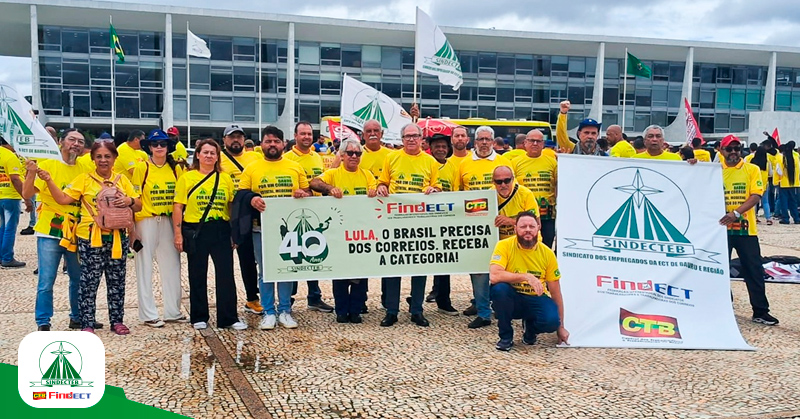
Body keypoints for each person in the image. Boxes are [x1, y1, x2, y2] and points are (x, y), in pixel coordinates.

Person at [41, 141, 142, 334]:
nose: (103, 160)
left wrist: (129, 200)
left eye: (107, 156)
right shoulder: (84, 179)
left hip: (117, 238)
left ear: (114, 158)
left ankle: (117, 321)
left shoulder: (122, 180)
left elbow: (138, 205)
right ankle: (87, 322)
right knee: (89, 281)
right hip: (90, 237)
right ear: (93, 159)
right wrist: (49, 181)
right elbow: (63, 199)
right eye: (99, 157)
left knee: (117, 280)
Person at [237, 125, 310, 330]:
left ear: (284, 144)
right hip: (261, 228)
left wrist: (302, 194)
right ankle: (268, 311)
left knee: (286, 269)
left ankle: (285, 310)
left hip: (290, 228)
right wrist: (252, 200)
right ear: (261, 145)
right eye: (268, 141)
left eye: (276, 141)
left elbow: (307, 192)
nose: (272, 144)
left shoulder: (294, 167)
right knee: (266, 270)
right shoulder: (252, 168)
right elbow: (241, 194)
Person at [173, 139, 246, 331]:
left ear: (217, 156)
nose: (208, 156)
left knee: (226, 274)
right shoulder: (187, 178)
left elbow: (231, 205)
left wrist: (234, 232)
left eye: (212, 153)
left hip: (220, 228)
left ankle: (228, 317)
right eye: (205, 152)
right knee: (197, 273)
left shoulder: (225, 178)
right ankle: (199, 315)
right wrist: (178, 234)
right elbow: (178, 206)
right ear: (197, 155)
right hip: (196, 229)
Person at [25, 129, 94, 331]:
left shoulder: (85, 167)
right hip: (50, 231)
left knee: (78, 278)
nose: (76, 144)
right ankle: (43, 321)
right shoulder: (48, 164)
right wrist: (30, 173)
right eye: (72, 139)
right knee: (47, 279)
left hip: (76, 231)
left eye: (80, 141)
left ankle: (77, 316)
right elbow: (28, 193)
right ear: (61, 142)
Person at [377, 123, 441, 327]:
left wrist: (434, 189)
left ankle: (417, 310)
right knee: (393, 266)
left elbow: (438, 186)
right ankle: (391, 310)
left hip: (420, 222)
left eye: (415, 136)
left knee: (419, 267)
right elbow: (383, 182)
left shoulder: (430, 161)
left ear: (422, 138)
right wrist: (380, 187)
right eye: (407, 136)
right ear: (402, 138)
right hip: (395, 219)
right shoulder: (391, 157)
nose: (411, 139)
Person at [309, 139, 377, 323]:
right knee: (340, 273)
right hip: (339, 233)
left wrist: (374, 192)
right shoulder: (333, 173)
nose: (354, 156)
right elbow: (314, 182)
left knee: (360, 273)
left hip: (360, 233)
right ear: (342, 155)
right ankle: (341, 310)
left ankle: (356, 310)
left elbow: (375, 191)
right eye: (350, 153)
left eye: (358, 153)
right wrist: (330, 188)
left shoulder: (367, 175)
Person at [718, 135, 778, 326]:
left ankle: (761, 310)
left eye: (737, 148)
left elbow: (756, 196)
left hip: (745, 230)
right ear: (721, 150)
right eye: (730, 149)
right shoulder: (713, 170)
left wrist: (736, 213)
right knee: (719, 270)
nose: (734, 152)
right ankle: (723, 306)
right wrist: (692, 163)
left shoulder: (751, 169)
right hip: (720, 230)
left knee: (754, 270)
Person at [489, 211, 569, 351]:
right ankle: (506, 336)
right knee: (499, 289)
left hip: (535, 297)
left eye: (531, 226)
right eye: (523, 226)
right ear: (515, 229)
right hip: (512, 297)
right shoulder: (504, 245)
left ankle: (530, 329)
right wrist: (526, 277)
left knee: (551, 321)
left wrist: (560, 328)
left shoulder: (548, 254)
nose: (527, 230)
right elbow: (494, 276)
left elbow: (556, 292)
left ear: (538, 228)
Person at [458, 125, 512, 327]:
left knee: (502, 267)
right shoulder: (464, 163)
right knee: (478, 268)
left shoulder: (504, 161)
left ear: (492, 141)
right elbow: (458, 191)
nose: (483, 142)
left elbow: (512, 189)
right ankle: (483, 311)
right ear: (475, 140)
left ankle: (501, 307)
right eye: (480, 139)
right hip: (475, 223)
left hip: (501, 224)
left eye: (487, 139)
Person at [131, 129, 185, 327]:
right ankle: (148, 314)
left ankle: (173, 310)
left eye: (163, 144)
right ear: (150, 148)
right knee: (144, 266)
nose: (159, 148)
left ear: (169, 146)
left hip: (169, 220)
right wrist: (132, 228)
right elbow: (134, 198)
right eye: (155, 144)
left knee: (172, 265)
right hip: (146, 220)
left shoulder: (176, 169)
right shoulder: (142, 167)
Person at [284, 121, 335, 313]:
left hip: (317, 211)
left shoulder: (318, 157)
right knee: (296, 255)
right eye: (302, 134)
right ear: (295, 136)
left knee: (314, 253)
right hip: (295, 212)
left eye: (309, 134)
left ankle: (314, 296)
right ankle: (288, 298)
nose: (306, 137)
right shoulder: (288, 158)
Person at [219, 124, 263, 315]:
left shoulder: (255, 157)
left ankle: (263, 296)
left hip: (255, 212)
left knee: (261, 258)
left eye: (239, 136)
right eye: (232, 137)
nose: (236, 140)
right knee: (244, 259)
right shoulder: (218, 160)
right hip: (232, 215)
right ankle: (251, 298)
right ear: (224, 140)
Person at [423, 133, 460, 315]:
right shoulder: (426, 163)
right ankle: (416, 301)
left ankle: (443, 300)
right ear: (431, 148)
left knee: (445, 261)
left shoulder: (454, 167)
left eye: (444, 146)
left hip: (445, 219)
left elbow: (456, 192)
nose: (440, 149)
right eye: (437, 146)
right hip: (423, 219)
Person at [511, 130, 556, 247]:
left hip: (547, 214)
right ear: (525, 143)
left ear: (543, 144)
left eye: (538, 141)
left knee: (546, 244)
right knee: (524, 244)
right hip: (524, 214)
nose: (535, 144)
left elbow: (558, 185)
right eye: (532, 141)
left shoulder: (552, 162)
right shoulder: (515, 163)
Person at [0, 136, 24, 267]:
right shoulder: (10, 156)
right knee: (10, 228)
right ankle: (7, 258)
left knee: (2, 227)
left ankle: (1, 255)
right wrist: (26, 198)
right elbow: (15, 179)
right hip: (10, 196)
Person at [775, 141, 800, 224]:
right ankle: (796, 218)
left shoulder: (781, 158)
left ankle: (786, 218)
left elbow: (779, 171)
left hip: (783, 183)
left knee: (784, 202)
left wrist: (778, 179)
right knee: (793, 201)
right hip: (794, 183)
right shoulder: (796, 157)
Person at [749, 147, 772, 225]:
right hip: (764, 184)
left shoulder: (752, 161)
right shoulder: (767, 162)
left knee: (754, 203)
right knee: (765, 202)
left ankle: (754, 218)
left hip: (754, 184)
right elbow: (771, 173)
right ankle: (768, 218)